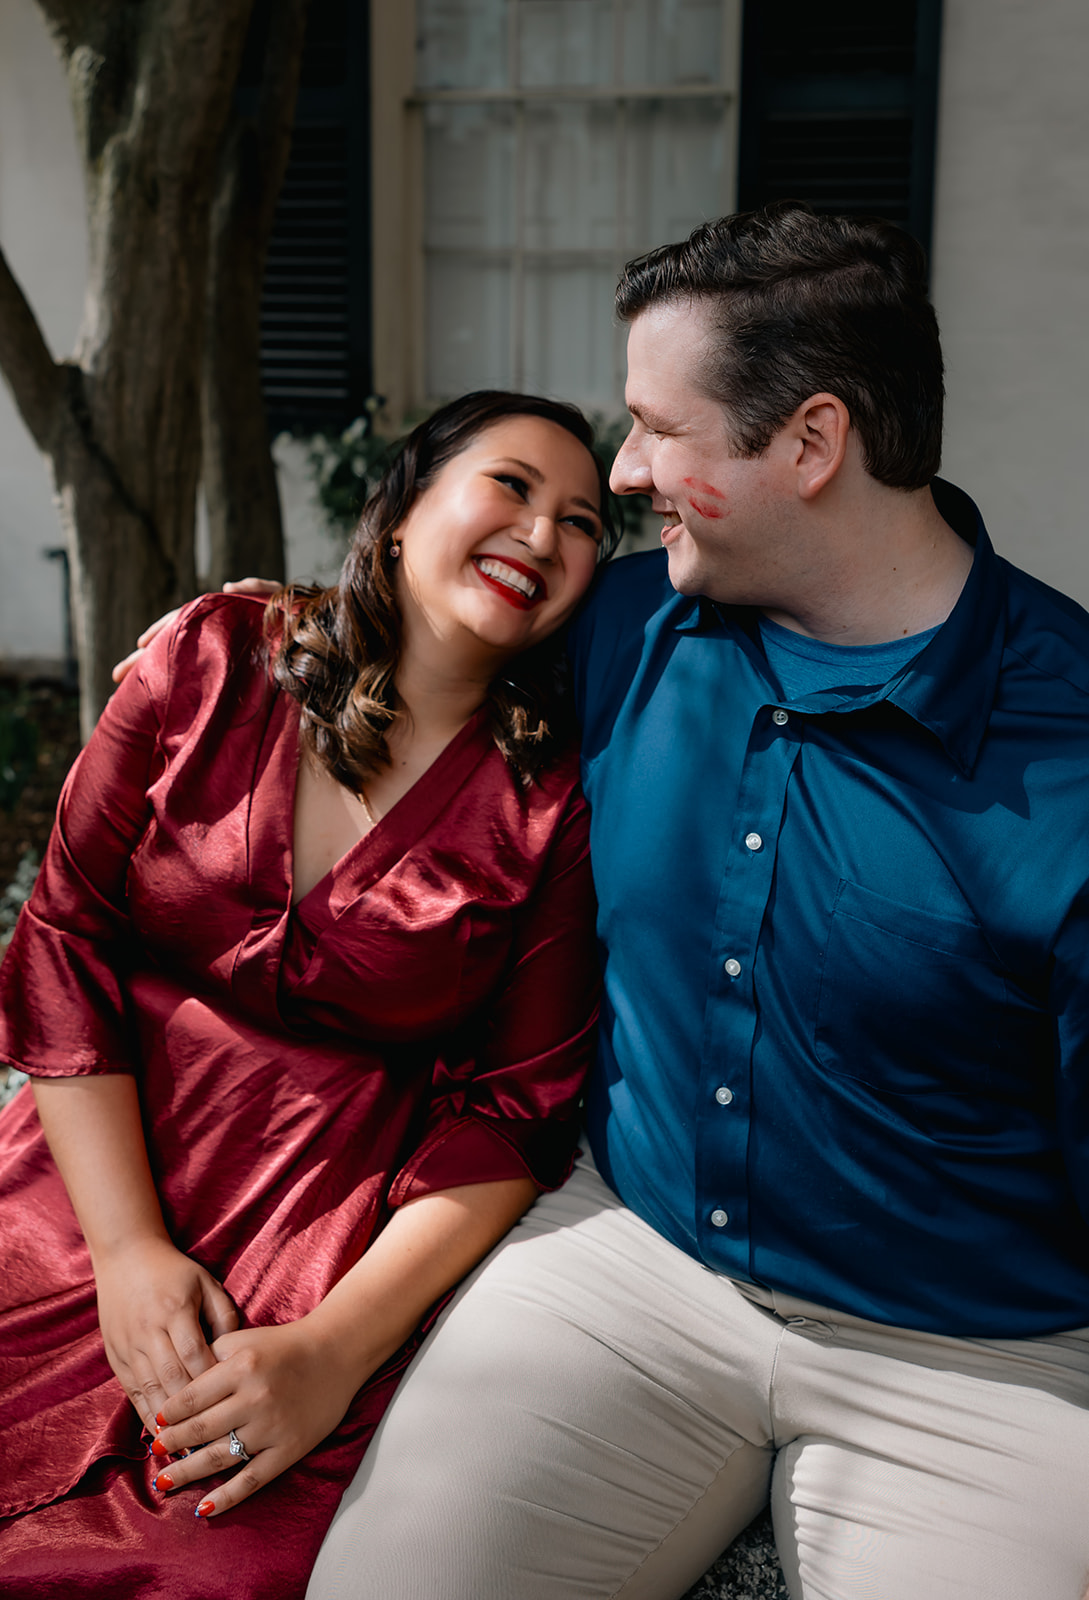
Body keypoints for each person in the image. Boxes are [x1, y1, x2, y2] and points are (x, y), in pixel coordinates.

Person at [293, 204, 1087, 1598]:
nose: (625, 468)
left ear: (812, 444)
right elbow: (414, 641)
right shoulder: (624, 623)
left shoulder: (1072, 751)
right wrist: (254, 642)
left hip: (982, 1357)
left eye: (659, 429)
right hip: (629, 1261)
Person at [0, 390, 616, 1598]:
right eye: (511, 485)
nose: (545, 534)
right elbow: (65, 933)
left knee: (201, 1559)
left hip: (319, 1231)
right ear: (400, 511)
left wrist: (333, 1354)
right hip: (88, 1171)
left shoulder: (553, 807)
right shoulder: (212, 657)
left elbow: (517, 1110)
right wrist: (126, 1255)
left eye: (586, 521)